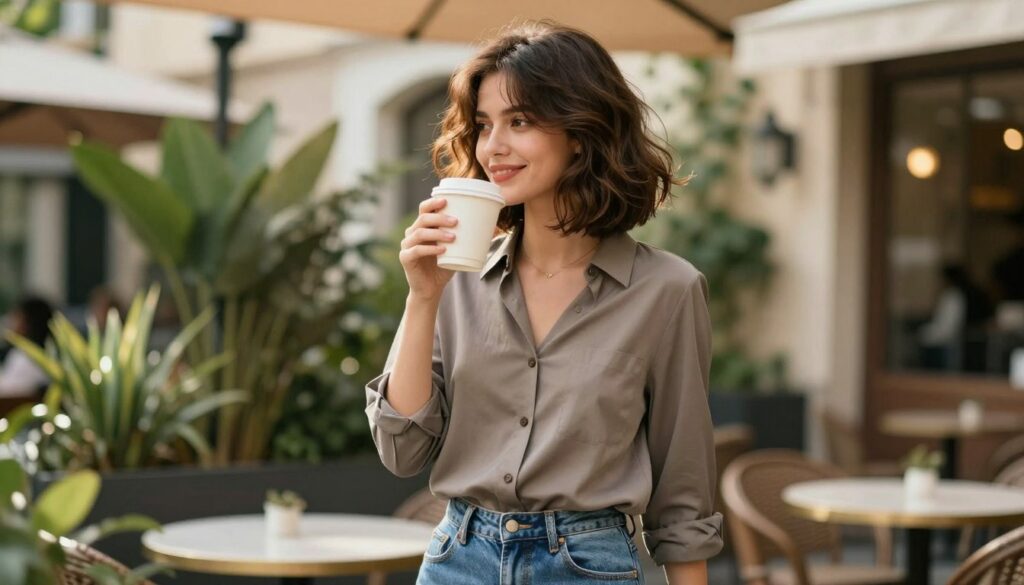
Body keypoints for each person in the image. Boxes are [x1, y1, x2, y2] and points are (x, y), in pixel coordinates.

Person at [365, 21, 721, 585]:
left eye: (521, 121)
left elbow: (683, 485)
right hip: (458, 559)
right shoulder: (455, 279)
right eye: (483, 125)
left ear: (581, 131)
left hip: (588, 565)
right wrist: (422, 296)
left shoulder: (666, 291)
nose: (493, 146)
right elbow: (402, 451)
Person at [0, 295, 53, 397]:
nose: (10, 324)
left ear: (27, 323)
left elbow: (6, 396)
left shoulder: (23, 358)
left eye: (16, 317)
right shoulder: (52, 357)